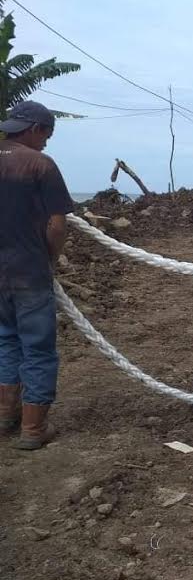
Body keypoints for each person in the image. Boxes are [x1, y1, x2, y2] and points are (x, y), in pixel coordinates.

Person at [0, 101, 75, 450]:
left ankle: (5, 416)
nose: (47, 141)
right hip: (29, 271)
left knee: (6, 341)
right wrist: (50, 259)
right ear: (34, 129)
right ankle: (33, 429)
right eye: (47, 133)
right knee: (39, 348)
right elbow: (57, 223)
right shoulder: (39, 164)